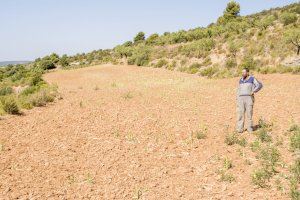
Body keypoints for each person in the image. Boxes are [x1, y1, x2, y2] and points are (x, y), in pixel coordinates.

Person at [237, 68, 263, 133]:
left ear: (248, 73)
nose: (242, 73)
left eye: (244, 72)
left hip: (249, 98)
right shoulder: (240, 80)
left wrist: (253, 91)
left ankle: (250, 129)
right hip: (241, 99)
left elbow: (259, 85)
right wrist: (237, 98)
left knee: (249, 114)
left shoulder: (252, 79)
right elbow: (239, 90)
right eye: (242, 72)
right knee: (240, 114)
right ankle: (240, 129)